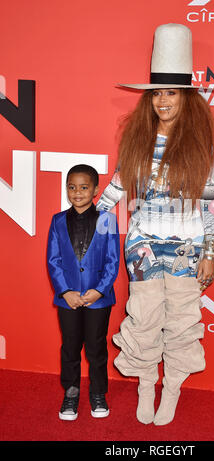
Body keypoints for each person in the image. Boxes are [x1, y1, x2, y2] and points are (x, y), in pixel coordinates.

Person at [97, 24, 214, 426]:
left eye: (172, 93)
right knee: (144, 316)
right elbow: (117, 184)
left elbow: (209, 202)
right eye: (157, 93)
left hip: (187, 246)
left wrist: (209, 252)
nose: (163, 101)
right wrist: (93, 218)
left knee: (182, 322)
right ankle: (147, 385)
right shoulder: (138, 139)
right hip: (142, 244)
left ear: (187, 98)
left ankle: (173, 390)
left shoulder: (202, 145)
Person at [47, 164, 120, 421]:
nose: (77, 192)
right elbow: (53, 260)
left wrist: (99, 291)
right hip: (68, 299)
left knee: (96, 349)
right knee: (70, 348)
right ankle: (71, 393)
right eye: (72, 187)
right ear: (67, 189)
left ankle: (98, 393)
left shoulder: (106, 220)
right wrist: (65, 291)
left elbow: (112, 261)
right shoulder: (57, 221)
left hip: (98, 301)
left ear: (96, 190)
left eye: (84, 187)